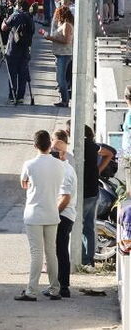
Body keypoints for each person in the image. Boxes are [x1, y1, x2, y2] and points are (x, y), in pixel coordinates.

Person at [15, 130, 64, 301]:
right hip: (52, 212)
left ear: (35, 145)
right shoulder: (59, 165)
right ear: (50, 144)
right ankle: (54, 289)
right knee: (51, 252)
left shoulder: (29, 164)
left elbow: (23, 183)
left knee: (36, 253)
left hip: (34, 213)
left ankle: (31, 291)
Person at [81, 126, 115, 271]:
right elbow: (111, 152)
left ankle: (82, 258)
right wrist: (98, 170)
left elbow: (110, 153)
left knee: (79, 226)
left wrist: (98, 169)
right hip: (93, 190)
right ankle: (88, 260)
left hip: (84, 191)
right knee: (89, 225)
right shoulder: (93, 146)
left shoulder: (83, 145)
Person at [51, 134, 77, 298]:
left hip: (63, 215)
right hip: (64, 214)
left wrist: (53, 214)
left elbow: (65, 197)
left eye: (54, 151)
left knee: (59, 251)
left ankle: (62, 286)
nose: (51, 154)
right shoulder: (61, 168)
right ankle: (61, 285)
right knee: (59, 250)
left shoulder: (65, 170)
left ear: (63, 154)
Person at [39, 5, 74, 108]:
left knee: (60, 79)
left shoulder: (67, 25)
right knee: (60, 78)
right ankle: (64, 99)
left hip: (64, 54)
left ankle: (65, 100)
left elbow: (66, 40)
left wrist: (50, 38)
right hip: (59, 54)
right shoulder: (63, 25)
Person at [1, 0, 34, 105]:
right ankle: (20, 96)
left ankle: (12, 95)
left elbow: (4, 27)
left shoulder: (16, 15)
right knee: (23, 74)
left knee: (12, 73)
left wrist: (5, 18)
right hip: (25, 48)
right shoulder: (29, 17)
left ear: (19, 7)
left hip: (13, 49)